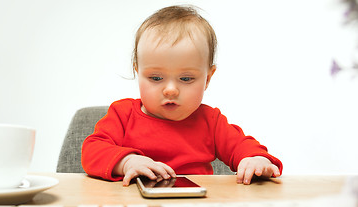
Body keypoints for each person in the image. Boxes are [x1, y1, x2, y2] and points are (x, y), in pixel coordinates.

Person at [81, 5, 283, 186]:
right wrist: (126, 162)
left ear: (207, 79)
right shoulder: (122, 114)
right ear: (137, 72)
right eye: (155, 77)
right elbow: (92, 151)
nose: (170, 90)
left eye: (186, 79)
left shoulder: (210, 121)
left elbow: (243, 146)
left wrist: (255, 160)